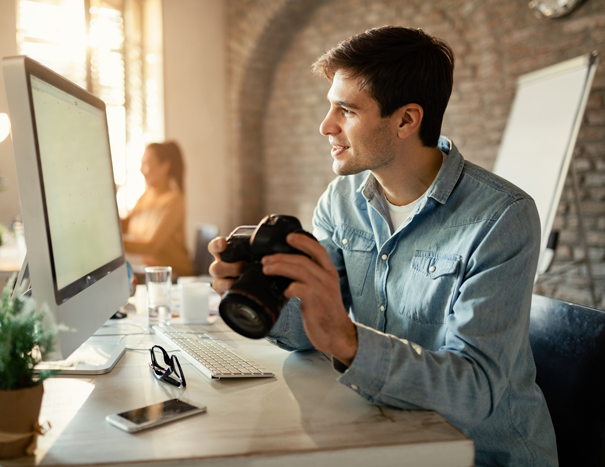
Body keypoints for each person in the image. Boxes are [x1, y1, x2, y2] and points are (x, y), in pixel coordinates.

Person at [209, 27, 558, 466]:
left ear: (407, 120)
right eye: (329, 106)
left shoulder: (502, 217)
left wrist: (347, 340)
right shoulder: (340, 202)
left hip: (481, 454)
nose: (326, 126)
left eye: (346, 110)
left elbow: (473, 390)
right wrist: (261, 294)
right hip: (388, 435)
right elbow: (316, 331)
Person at [123, 142, 194, 278]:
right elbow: (126, 224)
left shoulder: (173, 201)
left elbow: (152, 246)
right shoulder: (147, 195)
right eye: (141, 164)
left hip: (175, 276)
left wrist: (116, 244)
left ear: (165, 167)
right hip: (153, 272)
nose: (142, 169)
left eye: (147, 164)